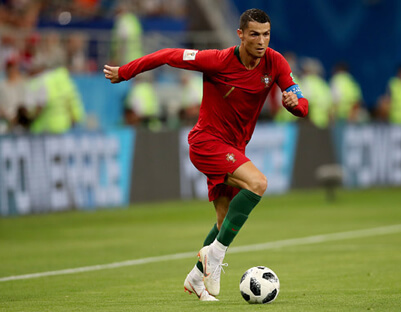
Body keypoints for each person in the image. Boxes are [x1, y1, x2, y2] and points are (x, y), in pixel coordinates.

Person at [104, 8, 308, 301]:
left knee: (223, 223)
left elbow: (302, 103)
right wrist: (125, 72)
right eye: (254, 34)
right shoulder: (217, 60)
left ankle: (196, 280)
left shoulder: (275, 62)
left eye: (266, 34)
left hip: (234, 149)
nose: (261, 41)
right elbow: (167, 55)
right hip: (207, 143)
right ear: (240, 35)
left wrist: (293, 103)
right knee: (258, 184)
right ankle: (214, 259)